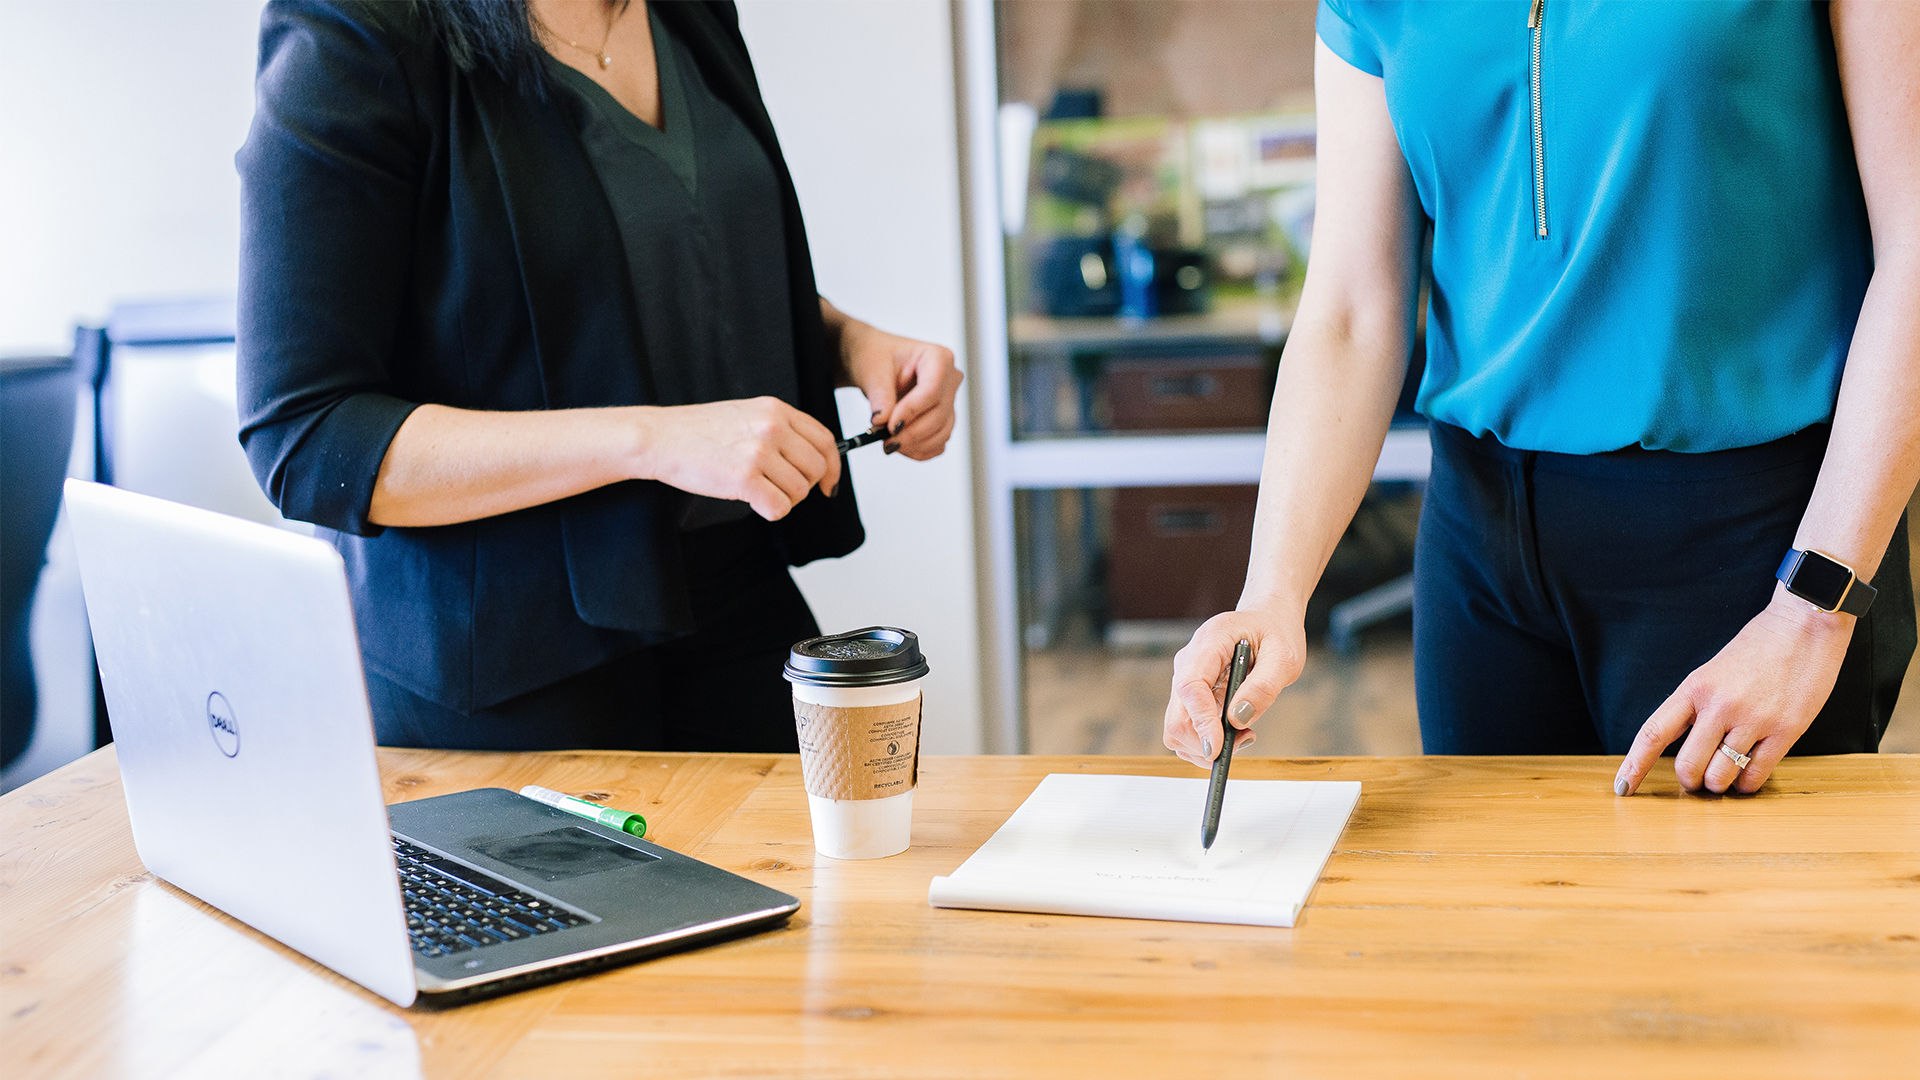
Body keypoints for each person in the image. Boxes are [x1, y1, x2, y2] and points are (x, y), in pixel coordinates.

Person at [1165, 0, 1920, 796]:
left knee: (1728, 918)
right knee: (1501, 914)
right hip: (1480, 548)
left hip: (1751, 542)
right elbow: (1352, 310)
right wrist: (1271, 596)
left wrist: (1814, 608)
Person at [236, 0, 961, 752]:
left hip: (732, 594)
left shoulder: (688, 12)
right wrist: (650, 438)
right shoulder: (355, 31)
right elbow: (308, 434)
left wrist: (848, 343)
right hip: (513, 659)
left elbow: (648, 268)